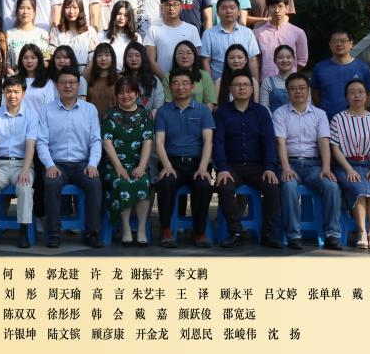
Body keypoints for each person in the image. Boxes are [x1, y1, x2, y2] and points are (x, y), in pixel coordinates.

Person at [213, 71, 283, 249]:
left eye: (245, 85)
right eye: (237, 85)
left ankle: (268, 233)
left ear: (252, 89)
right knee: (224, 186)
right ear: (230, 89)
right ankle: (235, 232)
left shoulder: (261, 112)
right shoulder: (221, 113)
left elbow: (269, 141)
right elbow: (218, 142)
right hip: (231, 167)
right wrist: (222, 168)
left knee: (273, 188)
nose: (242, 88)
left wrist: (270, 167)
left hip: (257, 167)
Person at [274, 72, 343, 251]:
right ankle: (294, 235)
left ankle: (332, 235)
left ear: (308, 90)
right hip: (290, 163)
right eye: (293, 88)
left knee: (331, 186)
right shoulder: (280, 113)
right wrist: (286, 168)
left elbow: (324, 142)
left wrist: (326, 168)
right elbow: (280, 142)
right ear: (287, 92)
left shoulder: (320, 114)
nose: (298, 92)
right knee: (289, 185)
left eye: (302, 88)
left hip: (314, 166)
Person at [37, 67, 103, 248]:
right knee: (51, 184)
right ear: (57, 86)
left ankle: (92, 233)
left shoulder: (89, 110)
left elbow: (96, 140)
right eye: (63, 82)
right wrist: (49, 165)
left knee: (94, 183)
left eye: (72, 82)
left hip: (82, 165)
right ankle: (53, 234)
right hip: (57, 164)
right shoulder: (46, 110)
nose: (67, 86)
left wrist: (92, 164)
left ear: (78, 85)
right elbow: (41, 142)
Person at [153, 68, 215, 248]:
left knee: (203, 185)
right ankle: (166, 230)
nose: (180, 87)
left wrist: (203, 168)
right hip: (172, 162)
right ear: (170, 87)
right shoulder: (163, 112)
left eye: (185, 83)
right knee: (165, 182)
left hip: (197, 163)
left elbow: (208, 141)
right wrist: (167, 166)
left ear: (192, 87)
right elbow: (159, 142)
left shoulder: (203, 110)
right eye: (176, 83)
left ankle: (200, 232)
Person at [329, 80, 370, 249]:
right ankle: (361, 232)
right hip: (346, 165)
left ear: (366, 96)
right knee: (358, 188)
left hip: (368, 164)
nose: (357, 95)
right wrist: (348, 169)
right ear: (346, 96)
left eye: (361, 91)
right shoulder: (338, 119)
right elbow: (335, 147)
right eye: (352, 92)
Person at [0, 76, 37, 249]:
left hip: (22, 164)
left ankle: (23, 232)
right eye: (8, 91)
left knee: (25, 187)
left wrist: (25, 171)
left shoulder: (31, 116)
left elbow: (31, 146)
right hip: (0, 165)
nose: (12, 95)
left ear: (23, 93)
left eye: (16, 91)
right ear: (3, 93)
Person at [100, 77, 154, 246]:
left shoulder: (145, 115)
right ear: (116, 95)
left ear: (137, 94)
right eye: (121, 92)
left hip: (138, 162)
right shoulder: (109, 115)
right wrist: (118, 167)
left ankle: (142, 228)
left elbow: (147, 142)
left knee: (143, 181)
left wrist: (142, 166)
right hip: (114, 164)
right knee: (122, 182)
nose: (126, 96)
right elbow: (107, 143)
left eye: (130, 92)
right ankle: (126, 228)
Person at [311, 29, 370, 120]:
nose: (339, 44)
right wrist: (323, 112)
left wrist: (360, 112)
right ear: (330, 45)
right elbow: (315, 94)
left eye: (343, 41)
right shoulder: (320, 68)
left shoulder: (362, 68)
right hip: (327, 121)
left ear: (351, 44)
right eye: (335, 41)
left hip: (355, 120)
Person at [200, 0, 260, 83]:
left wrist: (255, 83)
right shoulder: (208, 34)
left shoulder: (248, 33)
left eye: (232, 8)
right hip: (218, 84)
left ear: (239, 12)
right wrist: (209, 85)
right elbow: (205, 61)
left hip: (243, 84)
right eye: (224, 8)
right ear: (217, 13)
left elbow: (252, 60)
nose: (228, 11)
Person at [143, 0, 202, 79]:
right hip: (162, 80)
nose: (171, 8)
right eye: (167, 5)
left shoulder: (192, 29)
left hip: (187, 81)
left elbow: (196, 58)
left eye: (175, 4)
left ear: (181, 7)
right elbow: (151, 60)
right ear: (162, 7)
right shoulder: (153, 29)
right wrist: (165, 80)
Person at [253, 0, 307, 80]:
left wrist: (289, 73)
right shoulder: (258, 32)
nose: (276, 10)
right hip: (266, 81)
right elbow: (255, 60)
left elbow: (302, 60)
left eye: (280, 6)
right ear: (268, 8)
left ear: (287, 8)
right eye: (273, 6)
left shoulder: (298, 32)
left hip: (290, 82)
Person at [162, 40, 216, 109]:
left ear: (195, 56)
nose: (185, 56)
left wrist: (201, 115)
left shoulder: (205, 76)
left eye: (189, 53)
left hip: (200, 115)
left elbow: (210, 103)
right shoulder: (168, 76)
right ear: (175, 56)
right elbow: (168, 104)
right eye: (180, 53)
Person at [50, 0, 98, 68]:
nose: (71, 11)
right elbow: (51, 56)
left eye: (75, 7)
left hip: (84, 73)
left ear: (80, 9)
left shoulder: (90, 31)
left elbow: (93, 59)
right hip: (62, 73)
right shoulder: (56, 31)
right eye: (67, 7)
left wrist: (84, 75)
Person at [6, 0, 51, 71]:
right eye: (22, 8)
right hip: (16, 76)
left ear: (34, 12)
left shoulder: (43, 34)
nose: (25, 12)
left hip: (38, 76)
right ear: (17, 11)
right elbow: (7, 61)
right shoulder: (9, 34)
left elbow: (47, 59)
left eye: (29, 8)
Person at [122, 41, 164, 114]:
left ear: (143, 58)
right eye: (130, 56)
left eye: (137, 55)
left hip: (149, 119)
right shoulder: (121, 79)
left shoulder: (154, 80)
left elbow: (158, 107)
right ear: (125, 59)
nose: (134, 59)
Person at [99, 0, 139, 71]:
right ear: (114, 14)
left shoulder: (136, 37)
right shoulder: (102, 35)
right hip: (109, 75)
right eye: (119, 14)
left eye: (125, 15)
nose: (121, 18)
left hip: (129, 76)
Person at [85, 43, 119, 118]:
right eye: (99, 55)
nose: (103, 59)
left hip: (113, 122)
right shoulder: (89, 80)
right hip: (92, 121)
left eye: (107, 55)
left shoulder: (119, 79)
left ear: (112, 58)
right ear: (95, 59)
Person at [260, 45, 297, 112]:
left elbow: (307, 104)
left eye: (288, 57)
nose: (285, 60)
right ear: (274, 60)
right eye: (280, 57)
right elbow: (264, 107)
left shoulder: (301, 81)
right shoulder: (267, 81)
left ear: (294, 59)